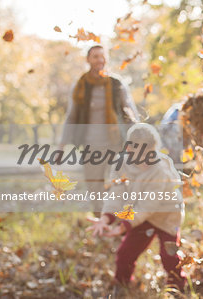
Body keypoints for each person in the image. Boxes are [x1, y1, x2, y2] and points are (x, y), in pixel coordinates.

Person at [86, 123, 186, 295]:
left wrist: (124, 225)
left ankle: (177, 288)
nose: (145, 161)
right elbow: (116, 194)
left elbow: (148, 205)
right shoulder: (121, 165)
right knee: (125, 253)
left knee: (169, 256)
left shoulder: (160, 171)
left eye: (150, 155)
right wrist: (106, 218)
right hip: (142, 217)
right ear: (130, 149)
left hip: (167, 215)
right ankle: (122, 284)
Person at [59, 45, 139, 213]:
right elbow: (71, 117)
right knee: (94, 186)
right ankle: (99, 220)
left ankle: (116, 221)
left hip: (115, 143)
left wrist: (138, 138)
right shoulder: (80, 85)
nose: (100, 60)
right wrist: (61, 145)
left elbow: (130, 111)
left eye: (102, 56)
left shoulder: (116, 84)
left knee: (117, 183)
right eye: (95, 56)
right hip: (90, 145)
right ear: (88, 59)